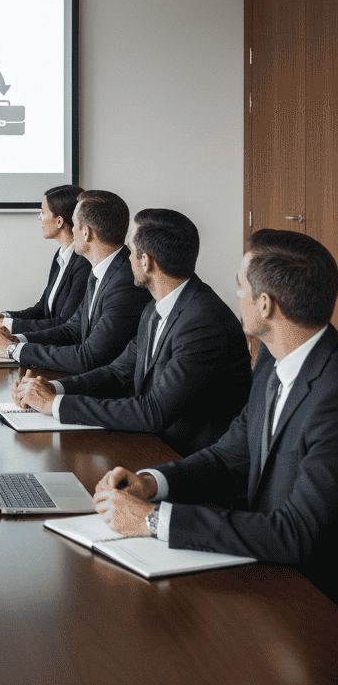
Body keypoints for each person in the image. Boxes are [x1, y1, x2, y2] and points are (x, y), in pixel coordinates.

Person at [92, 229, 338, 603]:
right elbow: (230, 456)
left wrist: (151, 520)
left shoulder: (331, 393)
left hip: (312, 596)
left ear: (265, 305)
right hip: (260, 565)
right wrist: (151, 484)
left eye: (241, 286)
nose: (236, 295)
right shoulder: (272, 356)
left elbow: (296, 533)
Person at [11, 208, 251, 455]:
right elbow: (117, 373)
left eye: (131, 250)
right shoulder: (155, 308)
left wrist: (55, 404)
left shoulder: (203, 321)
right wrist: (54, 389)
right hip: (153, 444)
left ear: (145, 261)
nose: (126, 258)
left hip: (187, 459)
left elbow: (154, 412)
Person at [0, 190, 151, 373]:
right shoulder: (101, 270)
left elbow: (88, 357)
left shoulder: (125, 282)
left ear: (85, 232)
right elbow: (71, 330)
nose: (71, 230)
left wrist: (12, 349)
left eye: (74, 224)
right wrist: (16, 340)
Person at [0, 184, 90, 333]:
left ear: (59, 221)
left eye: (43, 212)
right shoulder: (60, 255)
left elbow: (65, 323)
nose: (39, 217)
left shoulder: (84, 263)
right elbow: (41, 309)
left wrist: (1, 324)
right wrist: (0, 317)